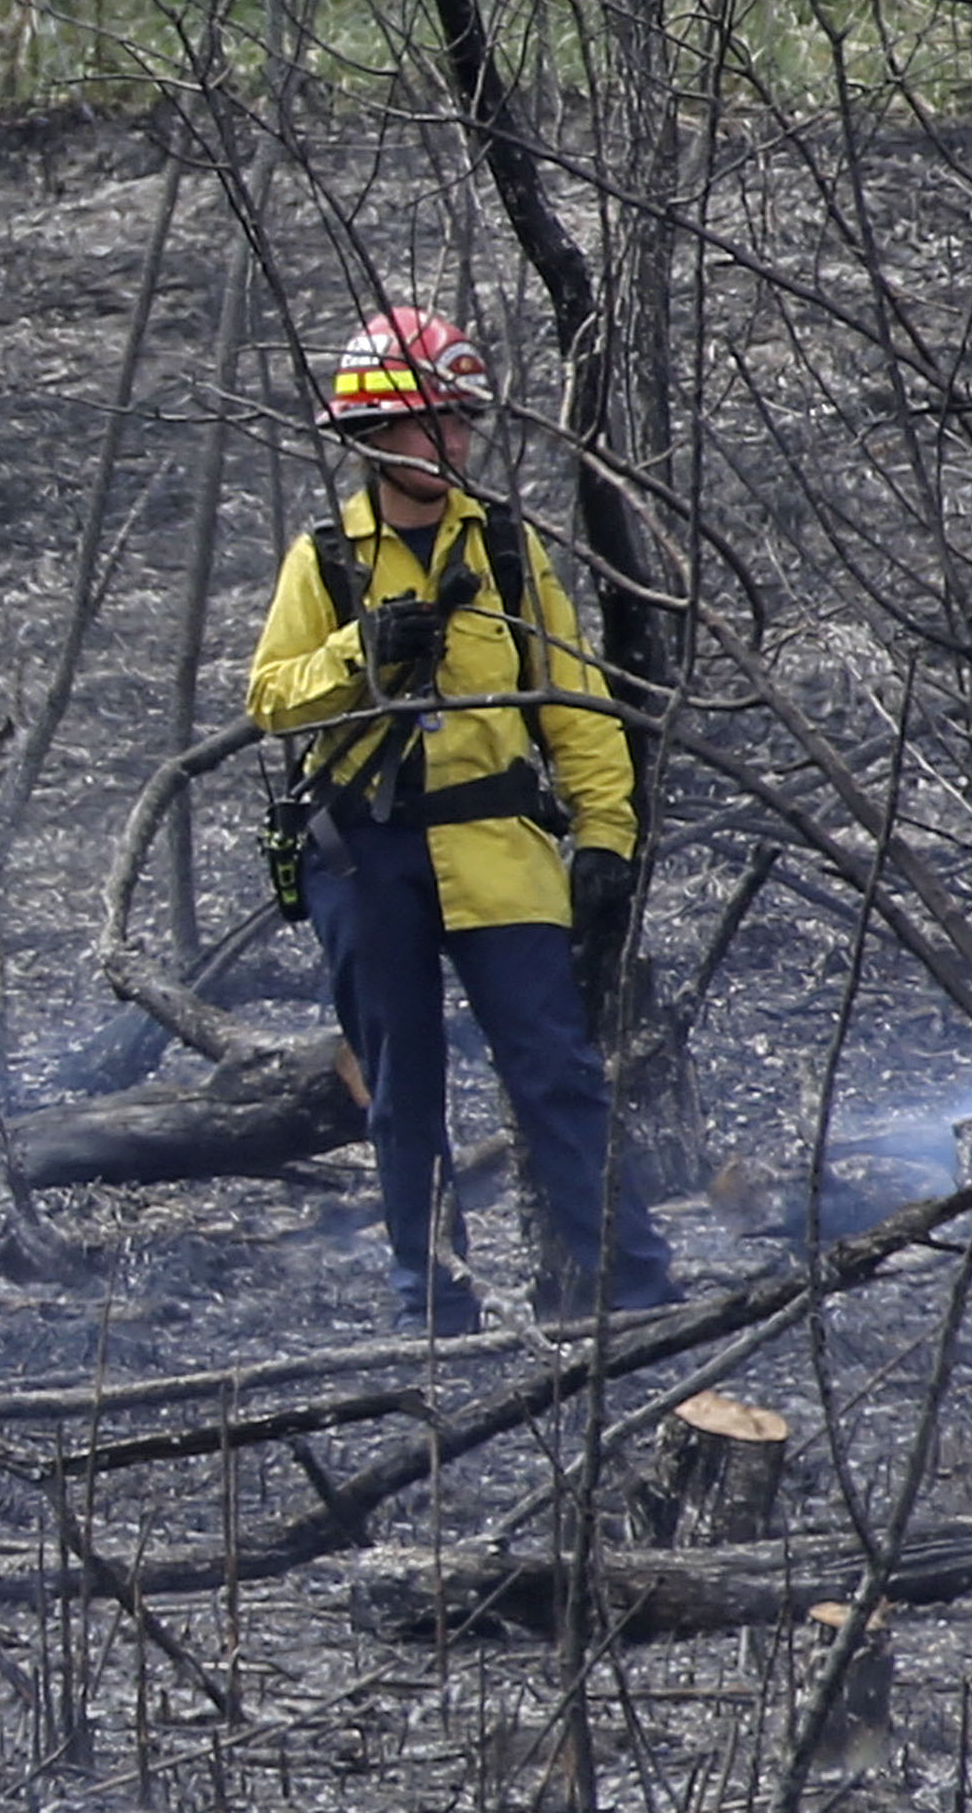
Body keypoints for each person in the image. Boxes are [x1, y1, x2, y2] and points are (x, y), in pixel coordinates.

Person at [246, 304, 676, 1334]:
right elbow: (268, 699)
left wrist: (606, 838)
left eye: (458, 423)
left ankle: (628, 1291)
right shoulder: (325, 561)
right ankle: (433, 1303)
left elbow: (571, 706)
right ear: (372, 438)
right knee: (401, 1091)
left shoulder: (511, 555)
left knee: (555, 1072)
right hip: (367, 857)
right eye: (426, 424)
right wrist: (361, 653)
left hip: (498, 850)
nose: (450, 444)